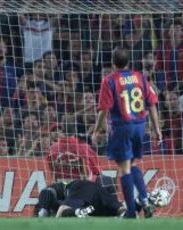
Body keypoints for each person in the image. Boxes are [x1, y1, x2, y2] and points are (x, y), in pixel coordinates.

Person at [92, 47, 162, 218]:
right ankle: (144, 200)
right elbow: (152, 103)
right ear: (128, 62)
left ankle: (131, 211)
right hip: (140, 126)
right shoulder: (140, 77)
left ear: (112, 63)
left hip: (122, 127)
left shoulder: (109, 80)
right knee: (133, 164)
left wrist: (97, 130)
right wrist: (157, 129)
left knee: (124, 169)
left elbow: (104, 109)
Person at [35, 178, 124, 218]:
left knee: (63, 212)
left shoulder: (56, 190)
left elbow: (46, 192)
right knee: (120, 210)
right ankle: (138, 202)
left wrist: (43, 211)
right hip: (94, 205)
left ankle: (79, 212)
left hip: (81, 188)